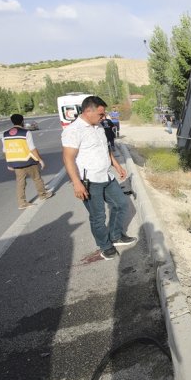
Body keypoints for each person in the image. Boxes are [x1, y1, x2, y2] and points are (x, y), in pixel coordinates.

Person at [61, 96, 136, 260]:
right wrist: (76, 183)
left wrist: (116, 165)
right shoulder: (73, 131)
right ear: (88, 111)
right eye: (101, 114)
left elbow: (105, 148)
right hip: (90, 181)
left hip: (106, 176)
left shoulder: (98, 126)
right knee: (98, 217)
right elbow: (68, 158)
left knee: (121, 204)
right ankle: (105, 246)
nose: (104, 117)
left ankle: (116, 236)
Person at [2, 114, 53, 210]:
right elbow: (32, 148)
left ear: (12, 122)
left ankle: (22, 203)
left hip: (16, 162)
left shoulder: (5, 134)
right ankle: (43, 195)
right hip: (28, 160)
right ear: (22, 121)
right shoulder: (25, 132)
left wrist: (9, 163)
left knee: (20, 183)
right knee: (37, 178)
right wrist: (40, 160)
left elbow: (5, 150)